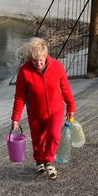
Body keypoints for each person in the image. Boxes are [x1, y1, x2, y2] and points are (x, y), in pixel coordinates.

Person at [11, 37, 76, 180]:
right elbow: (20, 96)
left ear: (46, 55)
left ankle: (48, 160)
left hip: (56, 110)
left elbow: (65, 88)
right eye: (35, 60)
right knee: (37, 139)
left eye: (41, 59)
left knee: (54, 135)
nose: (39, 63)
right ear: (30, 58)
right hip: (35, 111)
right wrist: (15, 118)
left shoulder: (57, 66)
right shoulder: (24, 71)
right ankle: (39, 161)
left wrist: (71, 106)